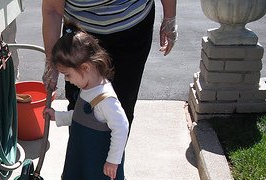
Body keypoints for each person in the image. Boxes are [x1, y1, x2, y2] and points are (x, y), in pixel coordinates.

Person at [43, 29, 134, 180]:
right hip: (86, 157)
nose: (67, 80)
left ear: (85, 68)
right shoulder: (88, 88)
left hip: (101, 163)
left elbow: (121, 127)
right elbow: (81, 116)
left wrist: (113, 160)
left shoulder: (106, 98)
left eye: (67, 75)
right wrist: (59, 117)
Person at [42, 0, 177, 127]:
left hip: (132, 29)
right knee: (81, 104)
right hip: (80, 40)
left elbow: (120, 125)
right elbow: (52, 8)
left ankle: (112, 150)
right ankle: (81, 148)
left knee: (122, 104)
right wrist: (52, 62)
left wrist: (169, 18)